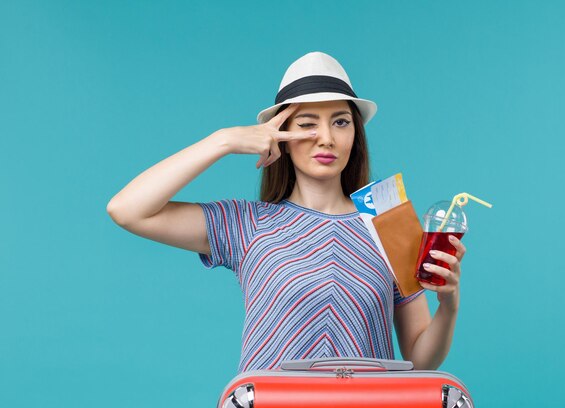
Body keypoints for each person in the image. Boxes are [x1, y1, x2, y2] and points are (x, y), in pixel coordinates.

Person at [107, 52, 466, 373]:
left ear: (356, 133)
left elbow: (420, 360)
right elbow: (127, 210)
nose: (326, 137)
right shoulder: (247, 224)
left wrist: (448, 304)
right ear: (280, 134)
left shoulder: (390, 223)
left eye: (340, 121)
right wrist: (223, 141)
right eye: (307, 123)